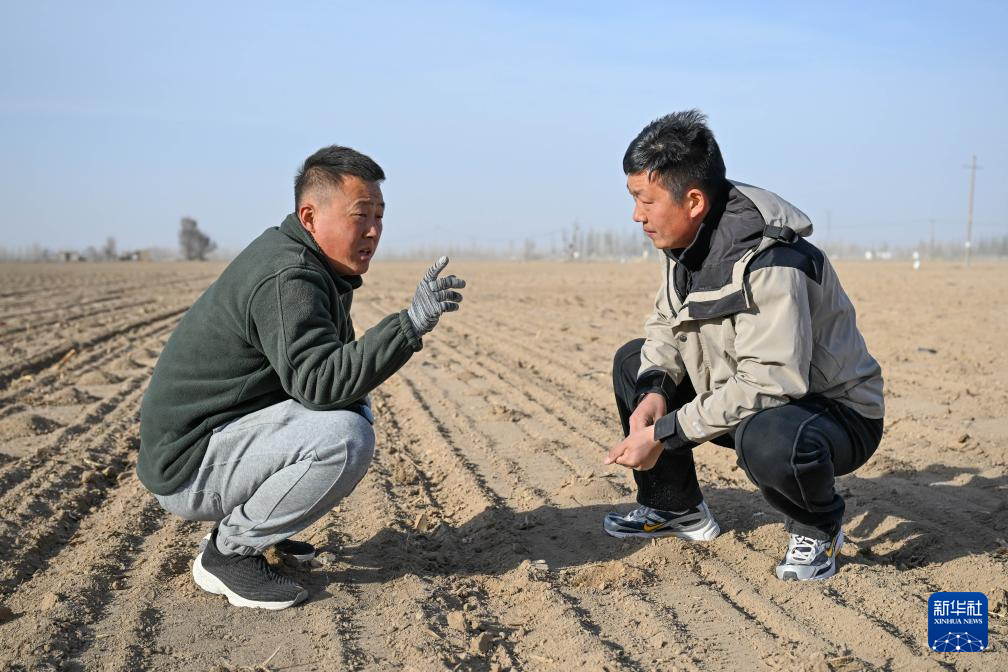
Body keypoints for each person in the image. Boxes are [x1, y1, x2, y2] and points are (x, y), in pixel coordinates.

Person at [138, 145, 465, 609]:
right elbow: (320, 385)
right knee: (345, 438)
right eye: (360, 215)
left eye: (379, 216)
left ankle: (260, 525)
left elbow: (324, 378)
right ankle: (228, 554)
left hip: (214, 438)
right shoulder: (289, 275)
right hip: (187, 466)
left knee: (351, 409)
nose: (373, 230)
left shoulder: (312, 264)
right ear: (310, 217)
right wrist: (408, 325)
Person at [602, 111, 884, 581]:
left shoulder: (773, 259)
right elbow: (666, 323)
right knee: (635, 362)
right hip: (751, 392)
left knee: (767, 437)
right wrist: (654, 391)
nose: (637, 215)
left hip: (831, 413)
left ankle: (818, 527)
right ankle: (675, 507)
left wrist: (665, 433)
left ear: (694, 200)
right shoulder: (684, 242)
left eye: (645, 201)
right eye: (634, 199)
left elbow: (771, 381)